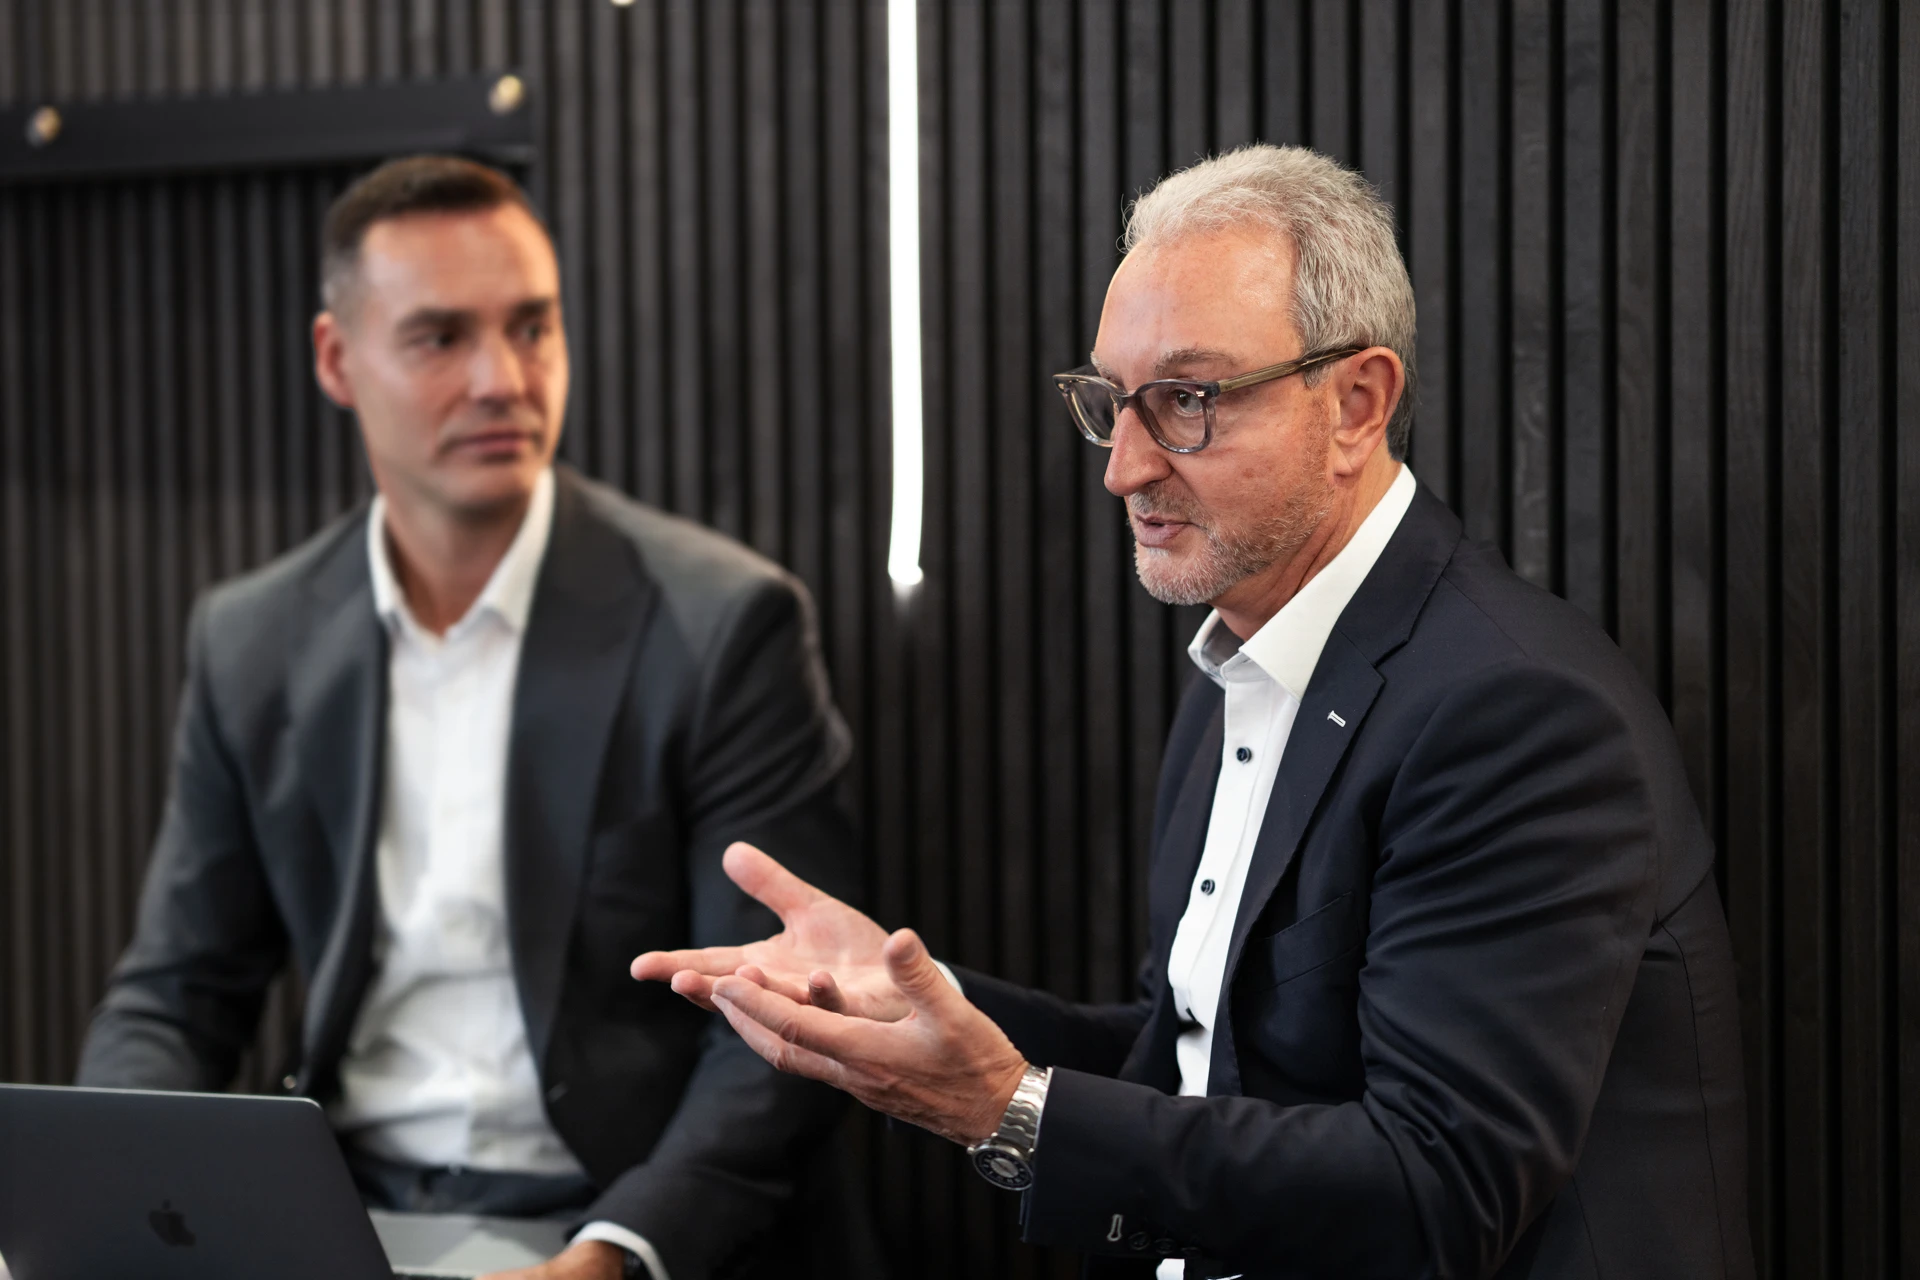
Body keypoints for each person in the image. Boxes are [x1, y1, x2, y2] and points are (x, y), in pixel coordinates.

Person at [634, 145, 1754, 1279]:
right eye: (1113, 403)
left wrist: (1007, 1108)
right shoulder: (1247, 658)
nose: (1123, 469)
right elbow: (1191, 1056)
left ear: (1357, 404)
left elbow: (1436, 1192)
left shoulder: (1513, 711)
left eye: (1187, 401)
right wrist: (922, 1003)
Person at [77, 155, 870, 1280]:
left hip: (615, 1213)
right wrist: (124, 1198)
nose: (502, 379)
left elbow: (779, 1029)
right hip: (343, 1211)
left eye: (532, 328)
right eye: (440, 338)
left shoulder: (721, 626)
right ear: (336, 360)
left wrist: (609, 1254)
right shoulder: (252, 638)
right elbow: (174, 994)